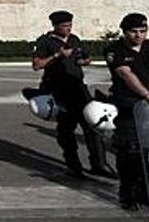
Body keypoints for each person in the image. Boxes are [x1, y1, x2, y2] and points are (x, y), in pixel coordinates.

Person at [31, 10, 115, 178]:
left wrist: (84, 61)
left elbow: (86, 58)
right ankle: (73, 165)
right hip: (58, 90)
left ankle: (99, 164)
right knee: (66, 129)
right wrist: (57, 55)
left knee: (92, 124)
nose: (68, 29)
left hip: (79, 88)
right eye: (64, 26)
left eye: (70, 25)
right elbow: (37, 65)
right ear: (55, 26)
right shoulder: (45, 41)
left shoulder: (74, 39)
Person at [104, 13, 149, 210]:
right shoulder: (114, 51)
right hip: (129, 104)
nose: (138, 35)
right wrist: (148, 95)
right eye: (133, 31)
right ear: (125, 32)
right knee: (129, 150)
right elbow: (126, 75)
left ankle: (146, 191)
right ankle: (127, 193)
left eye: (142, 31)